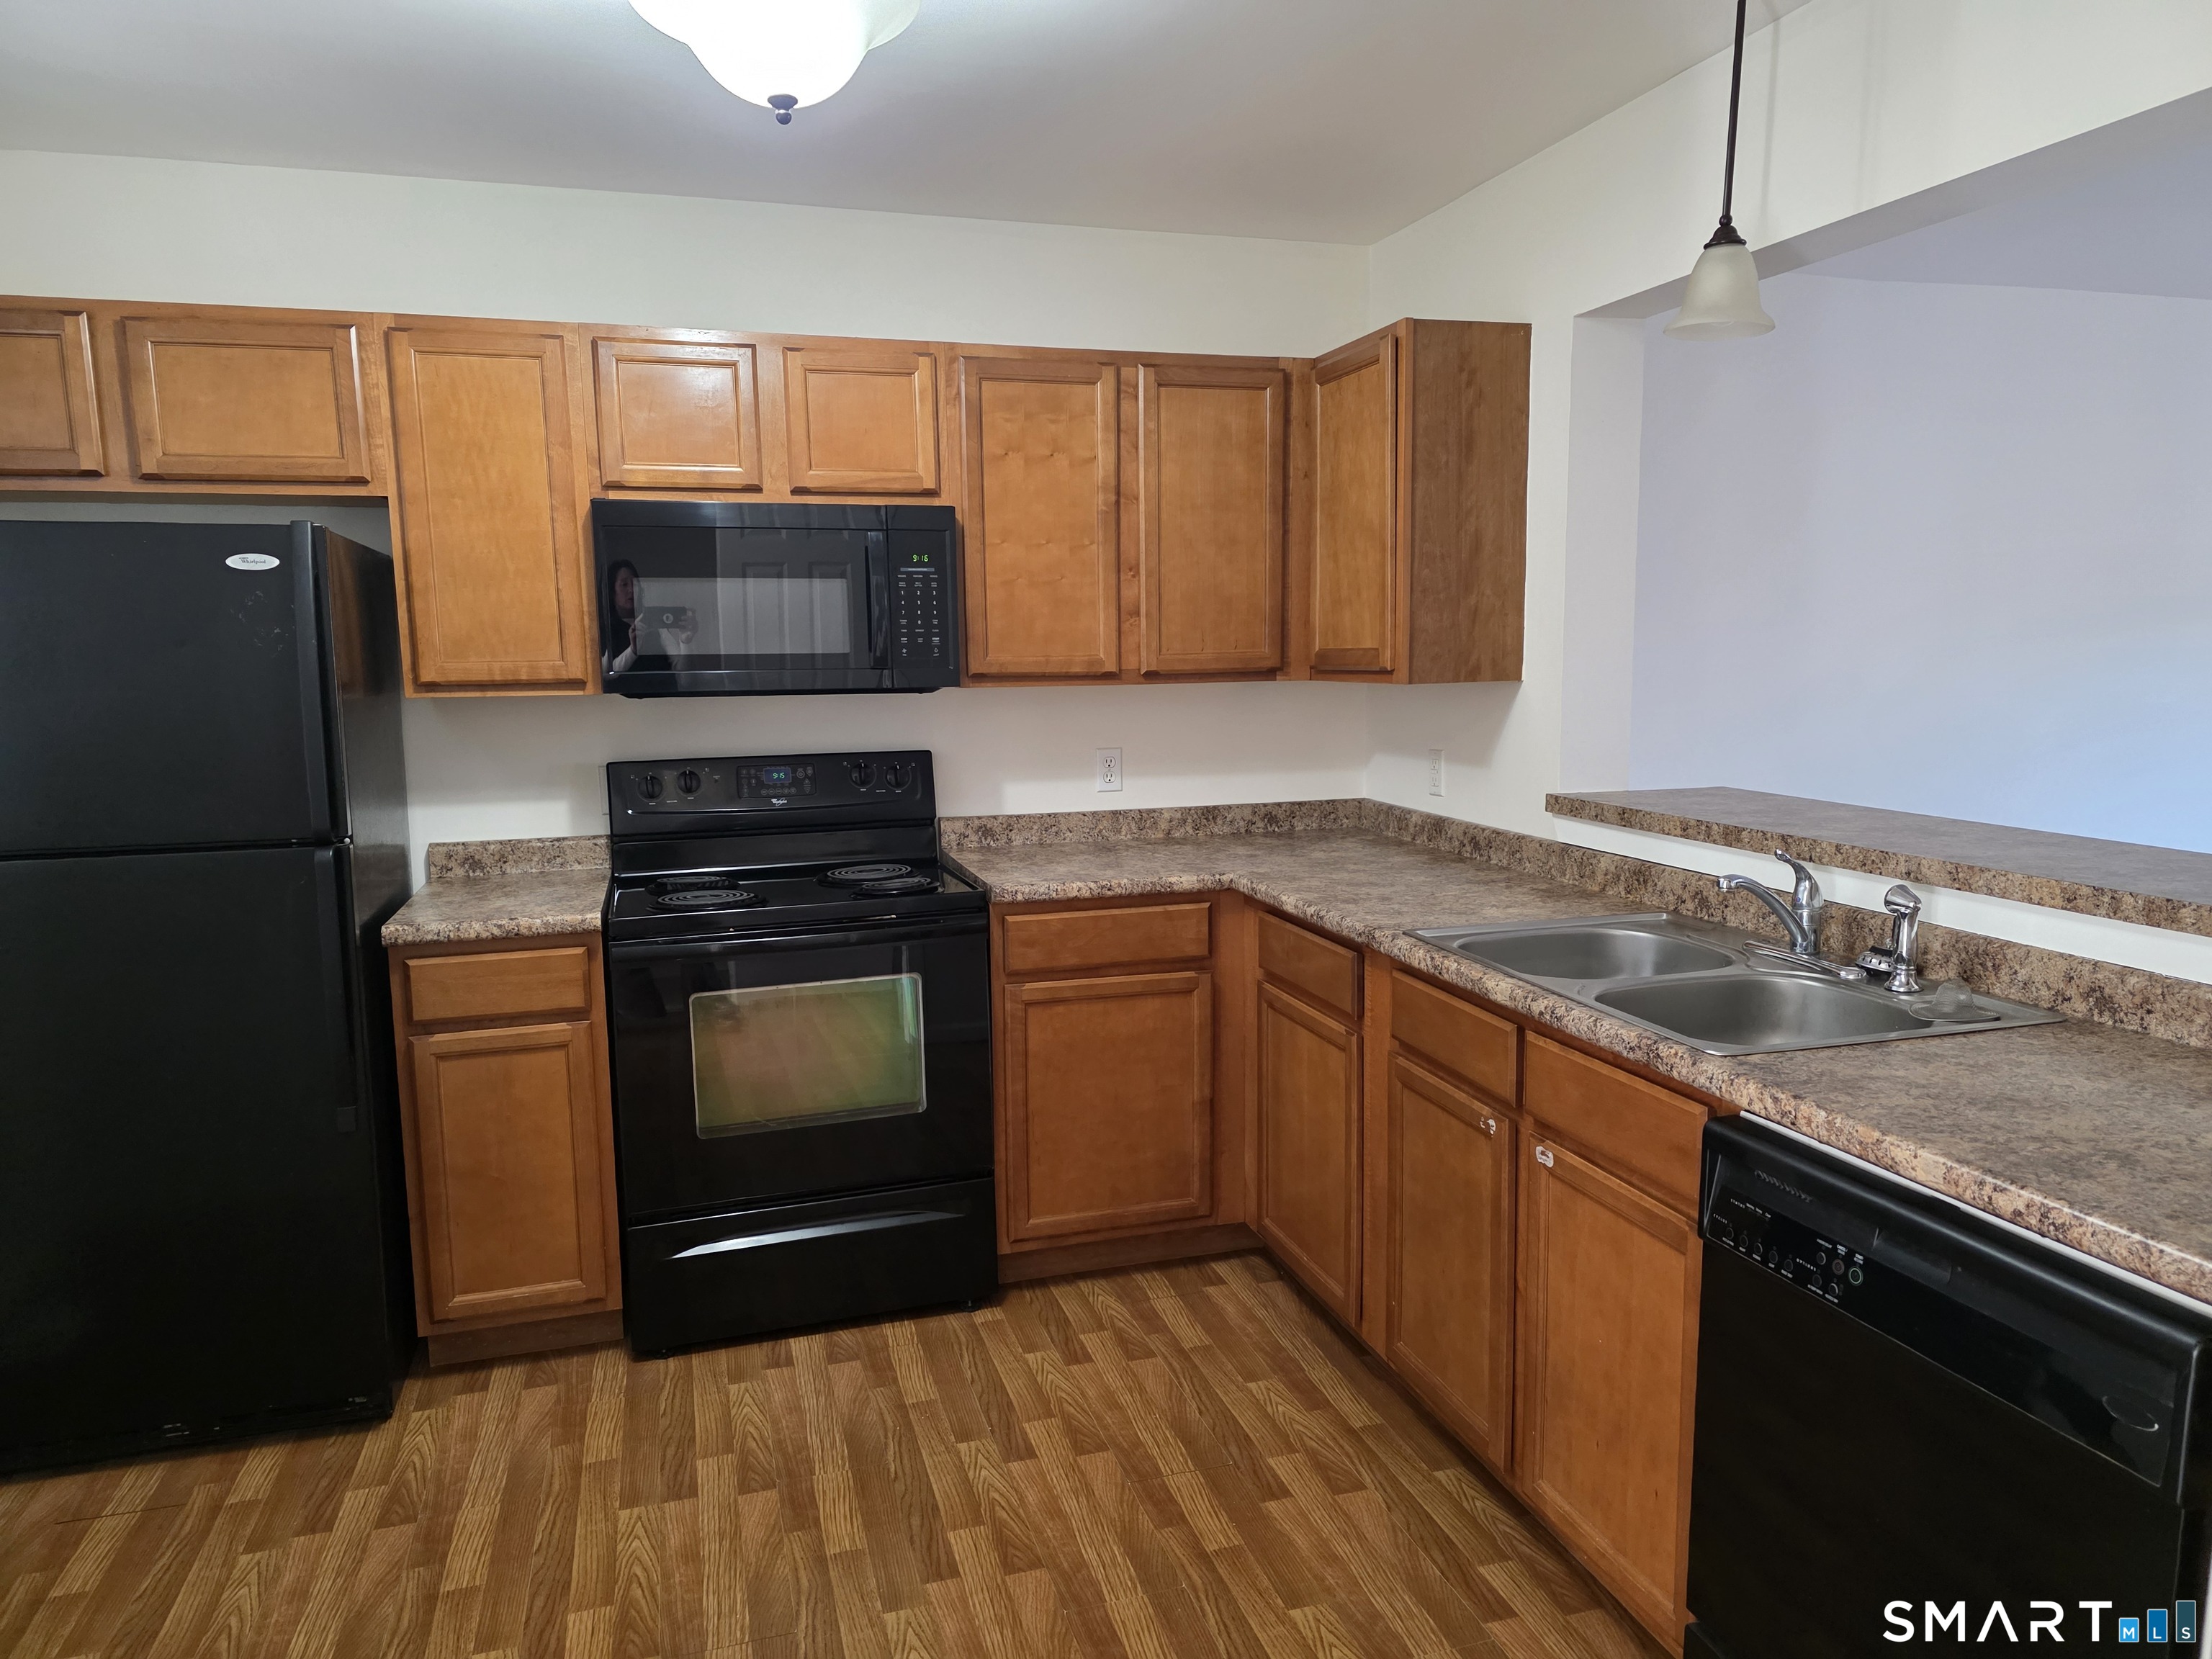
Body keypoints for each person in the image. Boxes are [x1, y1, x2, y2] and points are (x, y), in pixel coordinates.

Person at [603, 559, 696, 673]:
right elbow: (604, 675)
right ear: (612, 591)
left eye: (635, 584)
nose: (632, 590)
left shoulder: (653, 621)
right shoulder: (606, 630)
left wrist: (686, 642)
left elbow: (684, 676)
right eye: (624, 584)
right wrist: (633, 651)